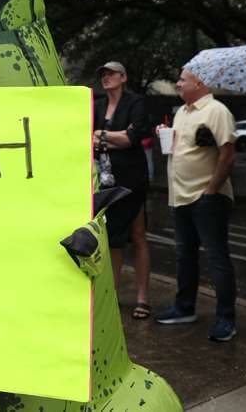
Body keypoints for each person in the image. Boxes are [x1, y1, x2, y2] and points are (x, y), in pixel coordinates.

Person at [155, 68, 238, 342]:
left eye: (182, 79)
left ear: (199, 82)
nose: (178, 83)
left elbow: (228, 154)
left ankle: (226, 318)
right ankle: (184, 307)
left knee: (217, 257)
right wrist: (166, 135)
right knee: (184, 255)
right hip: (180, 195)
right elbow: (180, 149)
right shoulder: (181, 112)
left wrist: (212, 189)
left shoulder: (216, 110)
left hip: (206, 196)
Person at [93, 61, 152, 319]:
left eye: (111, 74)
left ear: (123, 76)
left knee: (138, 234)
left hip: (132, 178)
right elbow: (89, 137)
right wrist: (116, 136)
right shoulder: (98, 105)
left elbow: (134, 137)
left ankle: (143, 298)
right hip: (106, 179)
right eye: (103, 75)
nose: (106, 78)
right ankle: (113, 296)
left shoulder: (135, 103)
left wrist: (102, 135)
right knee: (113, 237)